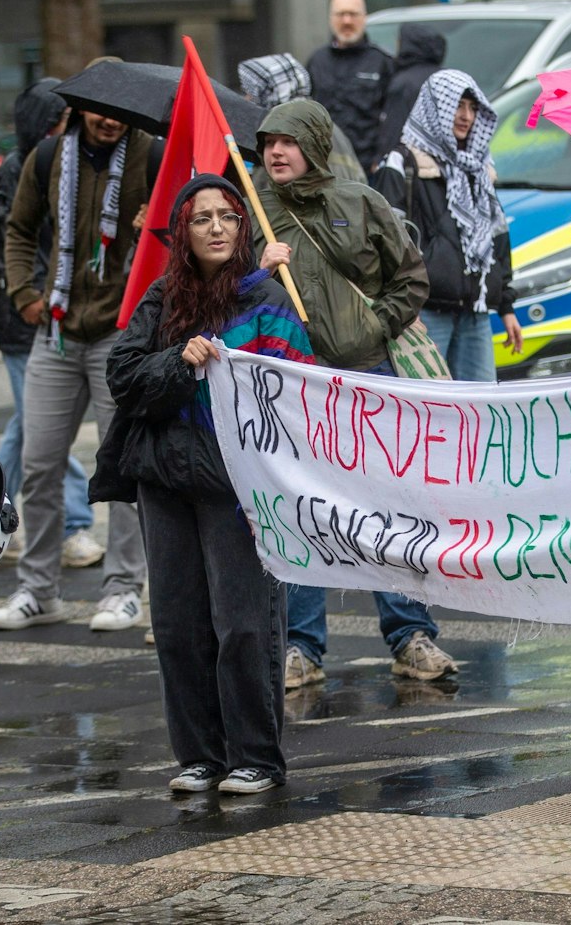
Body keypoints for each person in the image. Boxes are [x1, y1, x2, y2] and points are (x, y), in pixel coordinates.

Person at [100, 174, 313, 796]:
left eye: (227, 216)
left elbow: (299, 391)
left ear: (243, 227)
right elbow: (124, 373)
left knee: (244, 623)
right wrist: (178, 360)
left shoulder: (269, 300)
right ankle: (199, 755)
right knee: (177, 623)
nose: (216, 227)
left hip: (237, 486)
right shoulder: (162, 298)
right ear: (183, 234)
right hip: (164, 479)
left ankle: (256, 756)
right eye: (201, 219)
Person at [248, 99, 457, 688]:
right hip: (289, 382)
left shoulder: (361, 202)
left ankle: (410, 635)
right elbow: (222, 290)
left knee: (388, 506)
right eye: (267, 143)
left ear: (313, 144)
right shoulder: (251, 209)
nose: (275, 152)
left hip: (370, 377)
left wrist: (376, 325)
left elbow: (410, 277)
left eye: (287, 141)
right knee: (299, 509)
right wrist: (255, 267)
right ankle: (302, 648)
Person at [0, 78, 154, 633]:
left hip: (120, 333)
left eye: (121, 112)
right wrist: (24, 295)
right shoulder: (48, 156)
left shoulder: (151, 154)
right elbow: (17, 230)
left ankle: (124, 589)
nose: (111, 120)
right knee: (39, 465)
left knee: (122, 467)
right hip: (57, 329)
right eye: (101, 109)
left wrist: (151, 228)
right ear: (81, 106)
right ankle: (38, 590)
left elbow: (179, 234)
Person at [0, 80, 100, 571]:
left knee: (28, 432)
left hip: (53, 314)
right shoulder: (29, 167)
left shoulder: (74, 163)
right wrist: (31, 300)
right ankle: (66, 526)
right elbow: (23, 238)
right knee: (37, 434)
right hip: (34, 319)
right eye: (60, 120)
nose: (68, 128)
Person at [371, 70, 523, 381]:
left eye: (472, 107)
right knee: (428, 413)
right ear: (434, 106)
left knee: (480, 412)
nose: (465, 116)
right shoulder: (402, 164)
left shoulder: (478, 168)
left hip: (475, 312)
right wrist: (403, 309)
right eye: (457, 105)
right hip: (422, 315)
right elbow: (384, 245)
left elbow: (497, 239)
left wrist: (506, 305)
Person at [238, 52, 368, 183]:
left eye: (251, 92)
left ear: (270, 90)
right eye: (270, 143)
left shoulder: (301, 126)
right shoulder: (314, 120)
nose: (247, 98)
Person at [306, 0, 395, 162]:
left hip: (367, 165)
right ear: (331, 19)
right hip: (325, 165)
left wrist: (380, 157)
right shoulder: (317, 61)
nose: (347, 21)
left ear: (364, 18)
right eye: (341, 14)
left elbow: (393, 117)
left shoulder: (382, 62)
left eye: (353, 14)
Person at [375, 24, 446, 160]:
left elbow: (394, 128)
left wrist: (382, 158)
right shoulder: (445, 77)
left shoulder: (403, 83)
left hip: (409, 161)